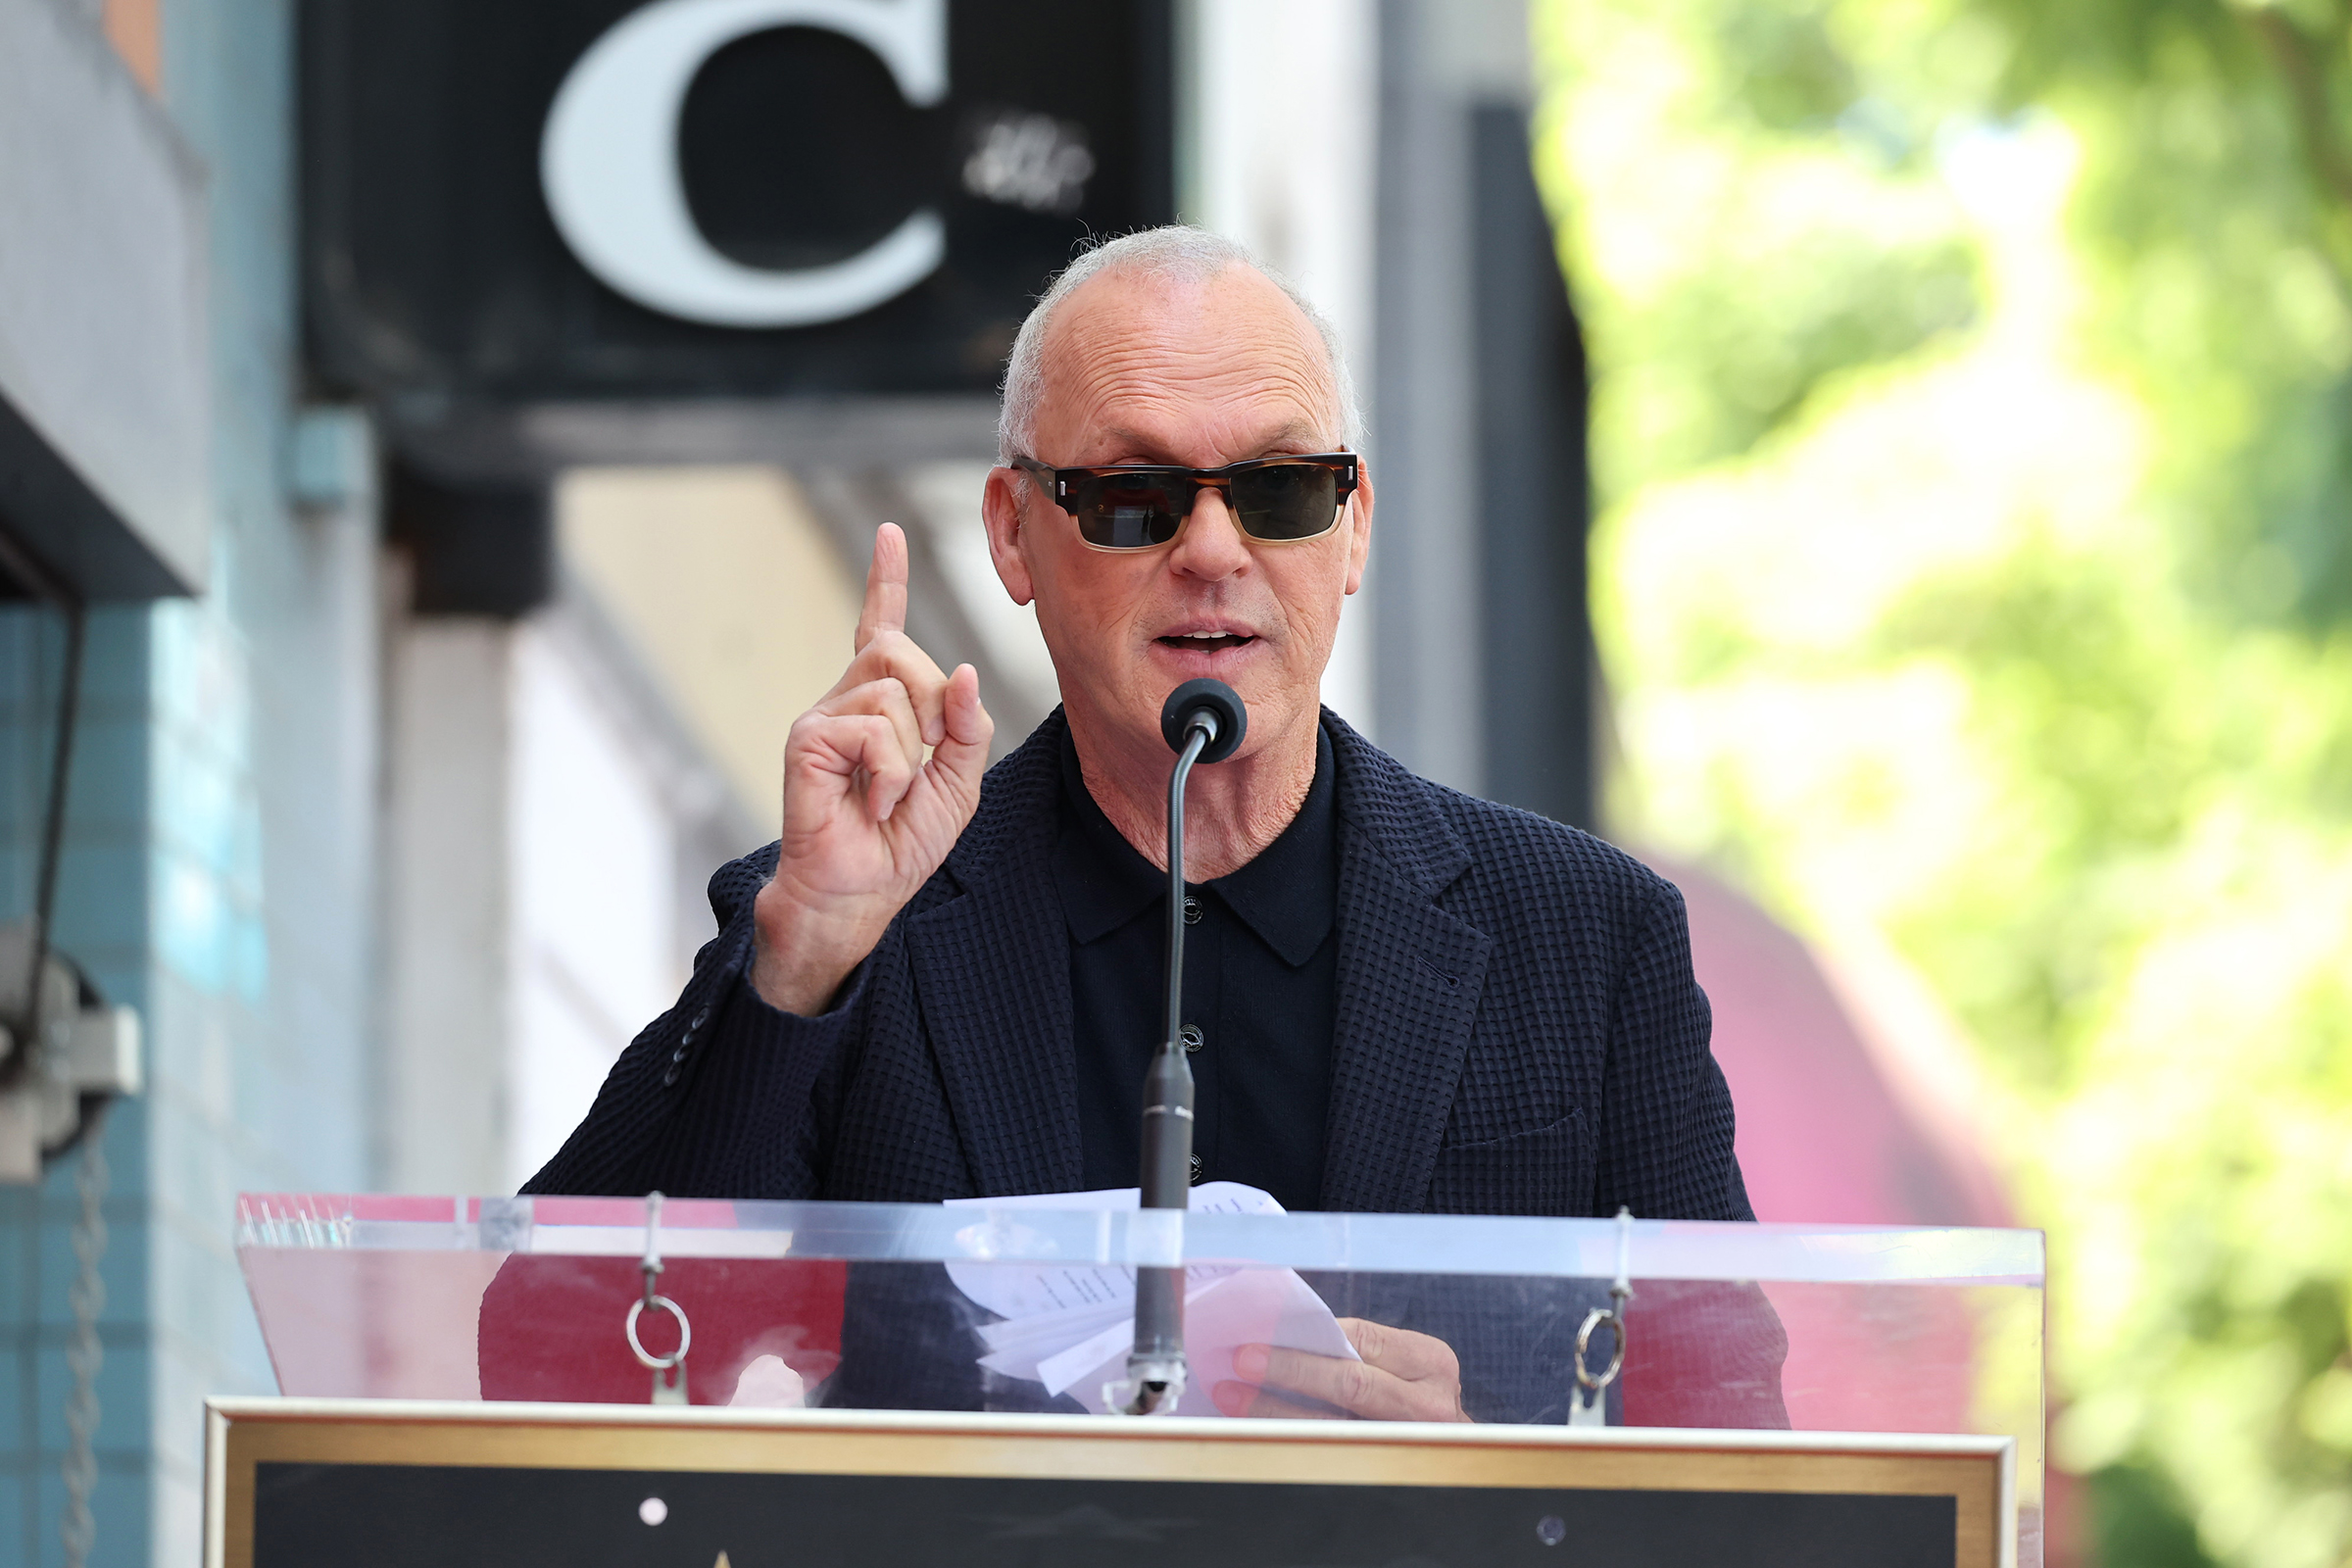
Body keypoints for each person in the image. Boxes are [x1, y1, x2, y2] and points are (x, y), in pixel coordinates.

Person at [522, 226, 1774, 1425]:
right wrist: (803, 951)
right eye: (1135, 496)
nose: (1215, 549)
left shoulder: (1585, 941)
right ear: (1014, 534)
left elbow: (1742, 1464)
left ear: (1354, 530)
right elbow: (554, 1362)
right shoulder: (853, 922)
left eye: (1282, 491)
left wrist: (1477, 1480)